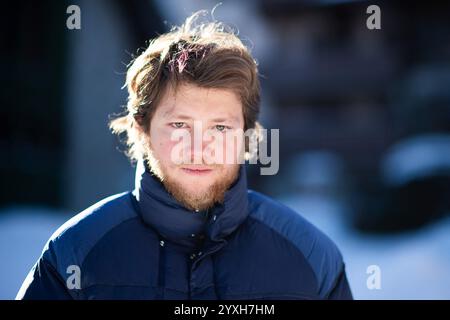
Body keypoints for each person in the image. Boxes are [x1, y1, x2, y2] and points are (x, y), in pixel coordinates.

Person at [17, 11, 352, 300]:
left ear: (247, 136)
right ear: (141, 129)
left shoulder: (311, 258)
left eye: (220, 128)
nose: (199, 148)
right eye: (180, 125)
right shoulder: (75, 253)